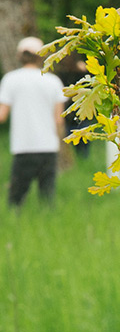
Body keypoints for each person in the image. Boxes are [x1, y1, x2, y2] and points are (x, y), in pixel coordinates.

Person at [0, 36, 66, 206]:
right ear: (41, 56)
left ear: (19, 56)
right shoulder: (53, 81)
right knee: (47, 197)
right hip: (48, 146)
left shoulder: (10, 79)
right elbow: (59, 120)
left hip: (23, 146)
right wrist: (61, 144)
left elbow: (2, 115)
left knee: (16, 199)